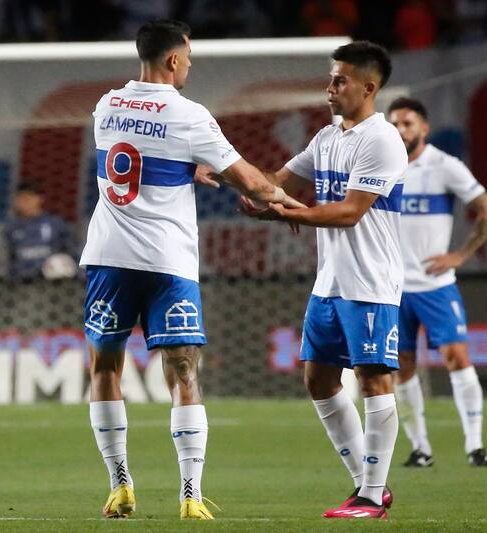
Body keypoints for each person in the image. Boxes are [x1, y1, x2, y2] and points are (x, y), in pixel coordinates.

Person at [80, 19, 305, 520]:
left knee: (105, 367)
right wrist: (290, 204)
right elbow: (252, 183)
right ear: (173, 59)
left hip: (109, 259)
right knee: (183, 371)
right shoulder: (189, 115)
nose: (190, 66)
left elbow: (138, 155)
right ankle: (190, 495)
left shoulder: (107, 105)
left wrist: (188, 165)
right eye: (189, 58)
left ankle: (120, 486)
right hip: (168, 263)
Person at [240, 41, 406, 519]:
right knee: (318, 378)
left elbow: (350, 212)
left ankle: (371, 495)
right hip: (329, 282)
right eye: (331, 79)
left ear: (368, 88)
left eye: (340, 80)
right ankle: (366, 485)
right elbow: (277, 182)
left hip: (370, 281)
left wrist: (291, 213)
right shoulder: (327, 137)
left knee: (374, 379)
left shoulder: (381, 140)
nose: (329, 88)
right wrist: (236, 178)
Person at [388, 97, 487, 468]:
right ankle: (420, 449)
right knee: (402, 365)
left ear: (424, 128)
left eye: (407, 123)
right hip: (392, 287)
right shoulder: (382, 166)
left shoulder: (444, 166)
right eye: (394, 124)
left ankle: (475, 446)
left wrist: (460, 255)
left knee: (457, 357)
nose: (400, 130)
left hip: (435, 285)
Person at [5, 181, 77, 280]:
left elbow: (74, 250)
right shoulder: (11, 228)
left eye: (29, 197)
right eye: (21, 198)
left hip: (51, 281)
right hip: (21, 282)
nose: (26, 202)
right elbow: (7, 259)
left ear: (40, 199)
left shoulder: (55, 224)